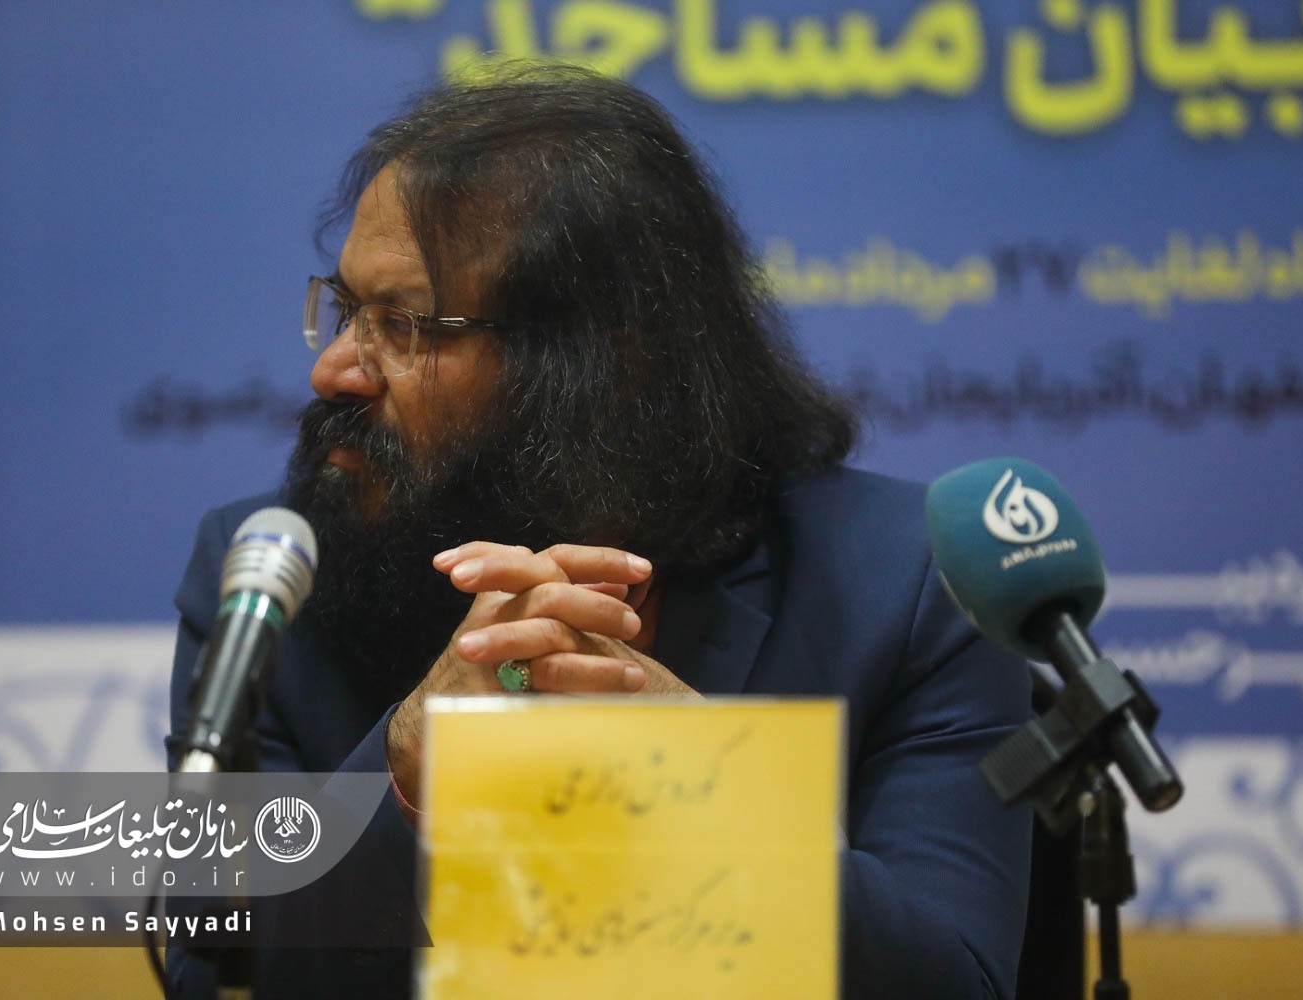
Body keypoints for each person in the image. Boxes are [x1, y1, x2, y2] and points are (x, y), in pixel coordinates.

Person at [167, 65, 1031, 998]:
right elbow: (211, 970)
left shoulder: (904, 586)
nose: (334, 370)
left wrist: (698, 781)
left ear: (609, 360)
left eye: (405, 325)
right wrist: (406, 776)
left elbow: (956, 981)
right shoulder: (264, 580)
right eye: (345, 310)